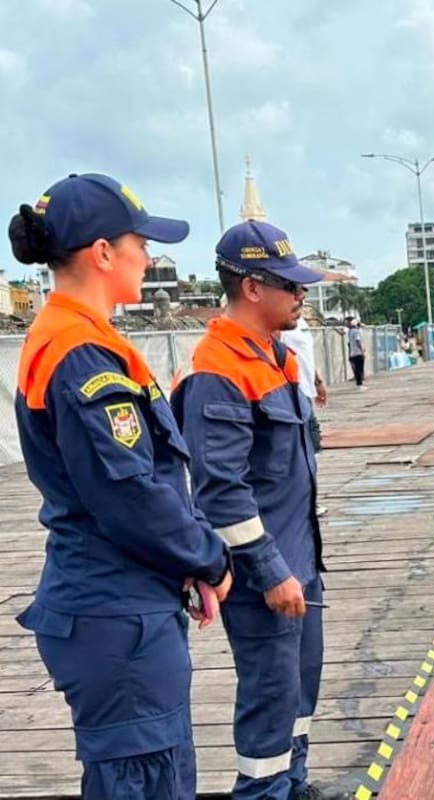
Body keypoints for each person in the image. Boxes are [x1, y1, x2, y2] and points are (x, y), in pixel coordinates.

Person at [8, 173, 233, 798]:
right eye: (141, 242)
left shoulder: (79, 336)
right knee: (144, 781)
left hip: (125, 599)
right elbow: (128, 493)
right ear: (103, 253)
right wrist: (209, 558)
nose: (150, 257)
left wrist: (182, 562)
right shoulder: (78, 349)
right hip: (116, 614)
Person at [172, 220, 325, 800]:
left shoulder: (276, 356)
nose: (301, 294)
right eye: (290, 285)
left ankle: (295, 785)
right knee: (269, 697)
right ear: (254, 288)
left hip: (302, 560)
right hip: (268, 577)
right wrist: (271, 572)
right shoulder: (218, 371)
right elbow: (219, 491)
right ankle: (262, 793)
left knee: (299, 691)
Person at [281, 315, 328, 517]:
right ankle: (305, 502)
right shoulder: (281, 325)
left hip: (306, 392)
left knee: (312, 446)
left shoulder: (300, 323)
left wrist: (317, 381)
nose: (300, 296)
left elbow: (306, 356)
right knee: (301, 449)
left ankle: (307, 499)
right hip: (292, 390)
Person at [347, 318, 365, 388]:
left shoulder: (350, 331)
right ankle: (360, 384)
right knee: (359, 368)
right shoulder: (356, 331)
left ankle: (359, 383)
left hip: (352, 352)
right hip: (358, 352)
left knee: (356, 369)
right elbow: (358, 341)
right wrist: (362, 351)